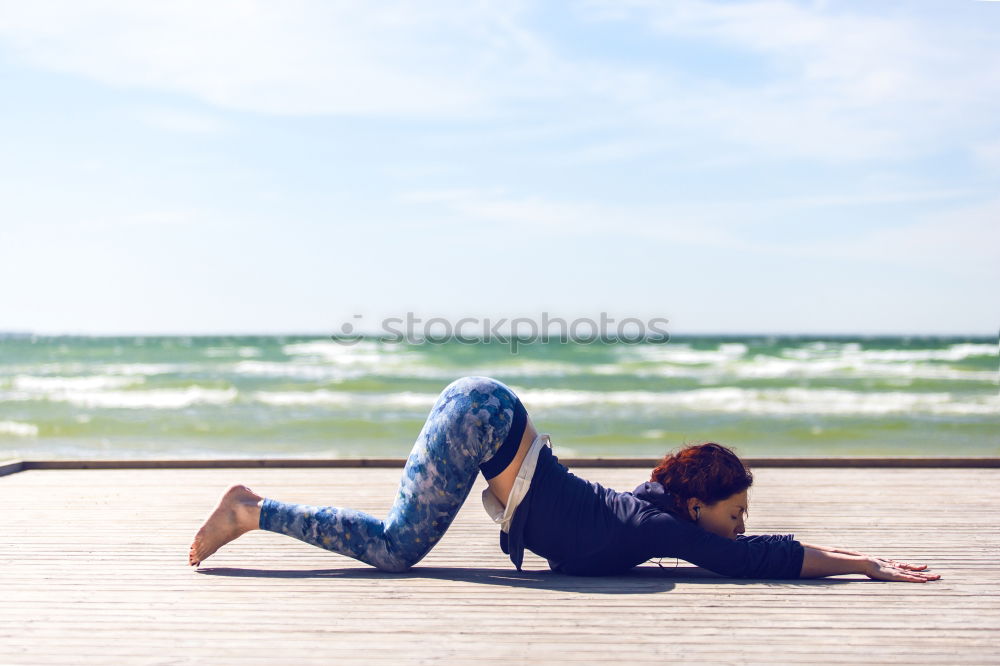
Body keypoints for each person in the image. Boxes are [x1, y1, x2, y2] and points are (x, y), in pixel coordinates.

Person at [188, 375, 940, 583]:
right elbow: (760, 560)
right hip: (487, 420)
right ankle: (252, 511)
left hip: (481, 404)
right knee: (395, 548)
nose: (739, 527)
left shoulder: (655, 513)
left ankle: (254, 510)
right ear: (696, 503)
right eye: (733, 512)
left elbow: (759, 549)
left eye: (742, 515)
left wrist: (860, 560)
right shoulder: (661, 526)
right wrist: (863, 566)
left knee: (395, 541)